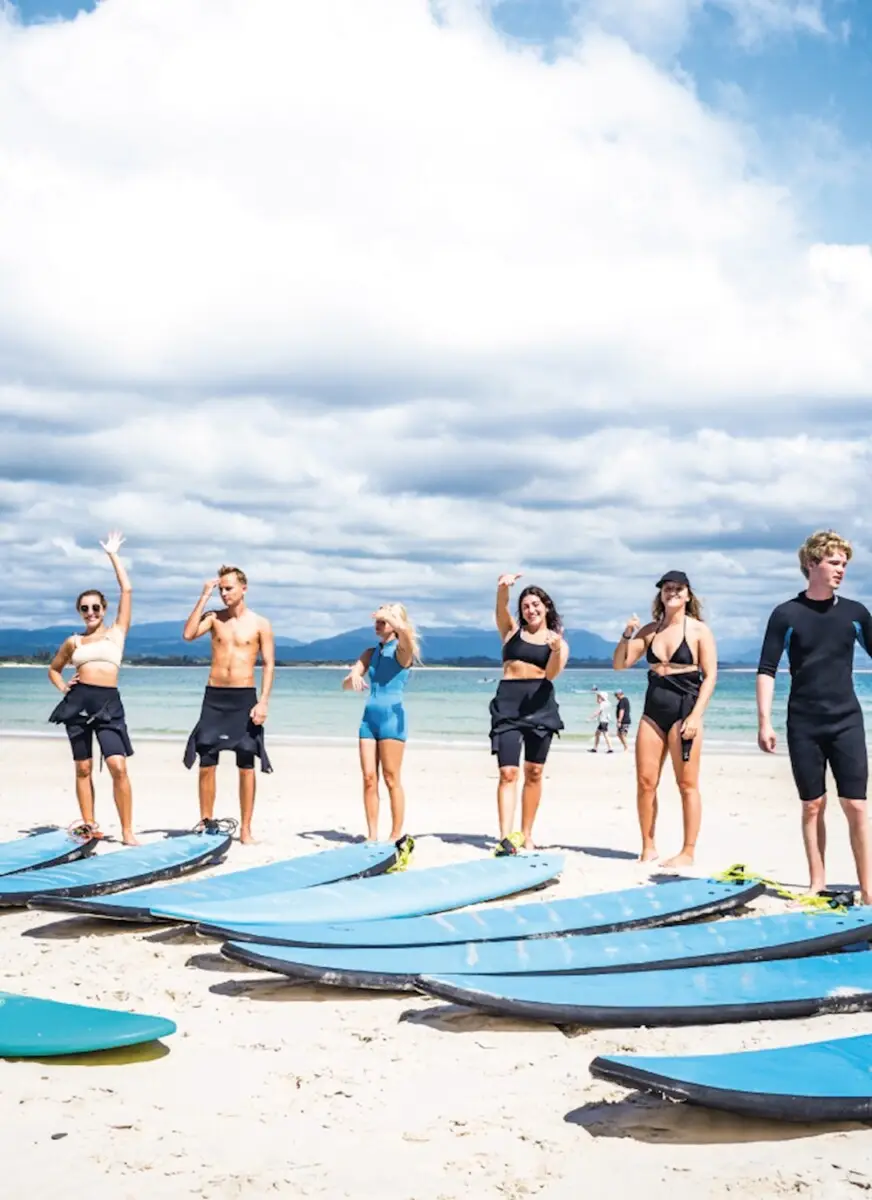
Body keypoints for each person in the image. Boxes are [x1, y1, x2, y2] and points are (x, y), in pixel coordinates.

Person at [757, 530, 872, 905]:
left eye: (844, 564)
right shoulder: (786, 614)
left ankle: (869, 889)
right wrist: (764, 721)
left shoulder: (856, 613)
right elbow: (767, 669)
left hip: (846, 721)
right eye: (834, 562)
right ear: (811, 564)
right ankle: (816, 883)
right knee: (812, 804)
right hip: (804, 722)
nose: (841, 570)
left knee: (855, 805)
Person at [613, 569, 717, 866]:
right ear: (661, 593)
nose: (672, 593)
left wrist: (696, 716)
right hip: (653, 709)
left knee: (687, 784)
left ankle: (688, 851)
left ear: (688, 594)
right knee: (646, 781)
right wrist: (627, 634)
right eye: (667, 588)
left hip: (685, 708)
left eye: (678, 588)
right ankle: (648, 845)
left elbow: (710, 677)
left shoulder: (698, 631)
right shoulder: (650, 630)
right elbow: (620, 664)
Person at [47, 531, 138, 845]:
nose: (91, 613)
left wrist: (112, 554)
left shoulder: (117, 632)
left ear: (104, 608)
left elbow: (127, 588)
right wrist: (63, 688)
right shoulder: (74, 641)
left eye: (96, 607)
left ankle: (127, 831)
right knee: (83, 768)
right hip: (78, 702)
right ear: (80, 612)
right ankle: (89, 826)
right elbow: (54, 669)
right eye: (85, 608)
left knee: (117, 765)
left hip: (109, 703)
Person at [182, 565, 275, 844]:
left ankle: (246, 829)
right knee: (207, 761)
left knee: (246, 762)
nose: (224, 593)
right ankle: (206, 821)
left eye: (228, 588)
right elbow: (188, 634)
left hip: (244, 697)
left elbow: (268, 664)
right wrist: (204, 595)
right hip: (215, 697)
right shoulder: (213, 619)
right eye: (221, 589)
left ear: (243, 588)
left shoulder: (260, 624)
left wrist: (263, 702)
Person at [489, 573, 569, 854]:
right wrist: (502, 589)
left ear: (546, 607)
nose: (531, 609)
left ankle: (527, 833)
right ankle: (505, 837)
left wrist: (556, 651)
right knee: (508, 772)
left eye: (536, 604)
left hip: (540, 705)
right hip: (508, 705)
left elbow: (552, 674)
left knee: (534, 772)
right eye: (525, 605)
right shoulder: (510, 632)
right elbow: (500, 610)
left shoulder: (557, 641)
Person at [342, 605, 418, 863]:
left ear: (395, 623)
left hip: (392, 721)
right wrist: (353, 675)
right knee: (368, 778)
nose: (378, 623)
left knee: (391, 777)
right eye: (377, 619)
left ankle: (395, 833)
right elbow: (347, 683)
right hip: (368, 720)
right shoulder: (370, 652)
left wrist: (394, 620)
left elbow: (406, 635)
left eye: (384, 620)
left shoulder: (402, 651)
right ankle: (372, 834)